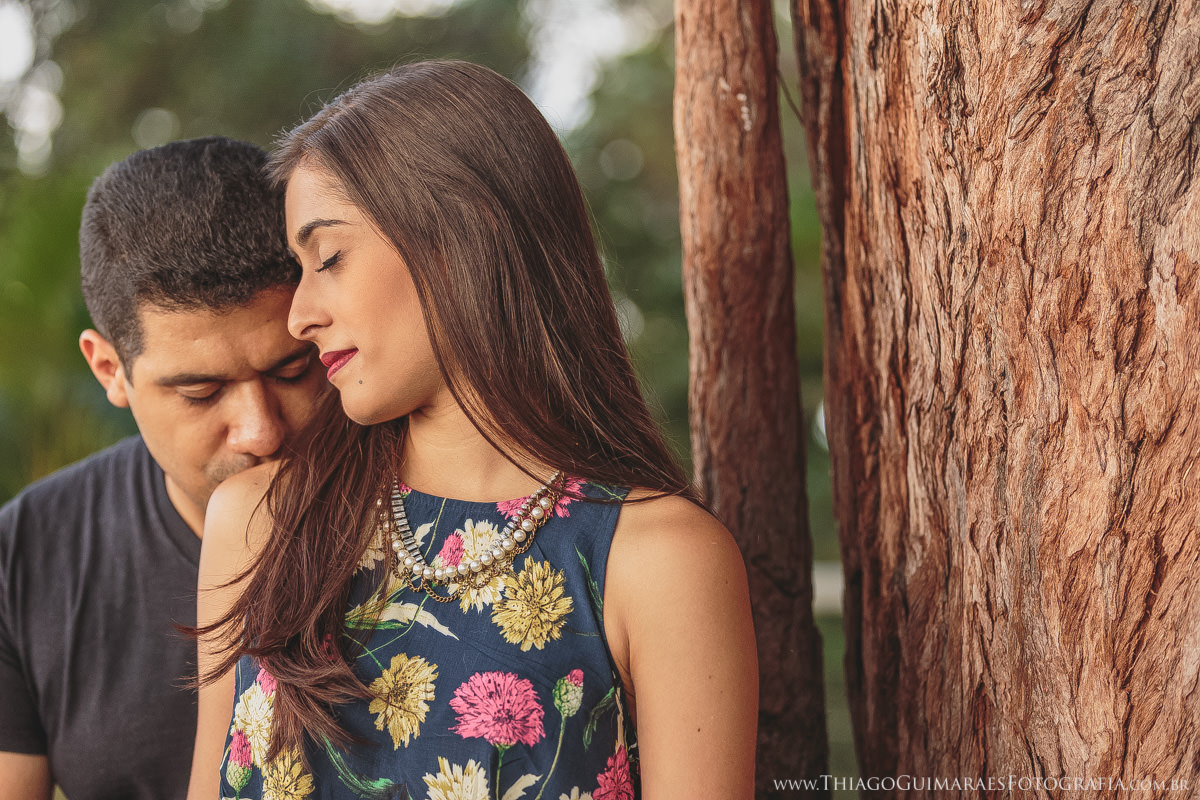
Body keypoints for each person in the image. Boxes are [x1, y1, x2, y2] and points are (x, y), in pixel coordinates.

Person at [190, 61, 757, 800]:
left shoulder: (657, 563)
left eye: (327, 258)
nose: (300, 316)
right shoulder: (263, 522)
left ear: (460, 237)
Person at [0, 137, 327, 800]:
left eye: (293, 370)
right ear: (109, 371)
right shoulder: (26, 553)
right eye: (201, 392)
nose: (261, 430)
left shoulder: (438, 514)